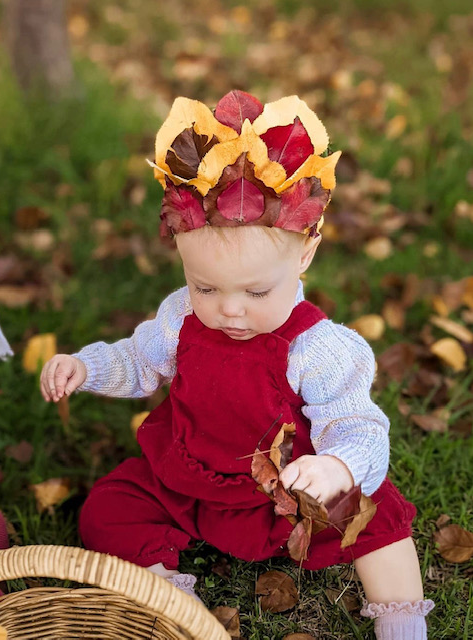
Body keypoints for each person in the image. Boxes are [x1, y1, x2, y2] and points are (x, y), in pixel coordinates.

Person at [40, 90, 434, 639]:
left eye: (255, 291)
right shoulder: (182, 317)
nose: (229, 308)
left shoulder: (318, 347)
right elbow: (140, 357)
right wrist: (86, 368)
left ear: (304, 256)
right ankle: (170, 595)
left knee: (378, 520)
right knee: (107, 508)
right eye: (205, 286)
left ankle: (402, 622)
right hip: (191, 475)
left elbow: (358, 424)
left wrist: (337, 469)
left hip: (290, 494)